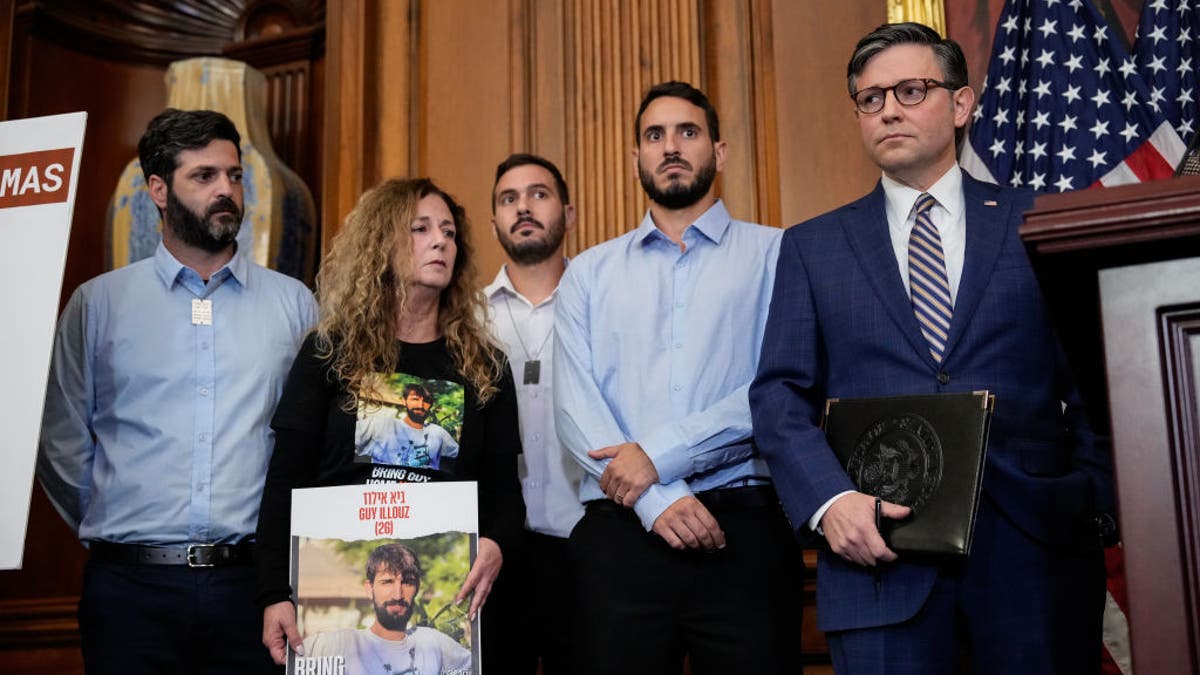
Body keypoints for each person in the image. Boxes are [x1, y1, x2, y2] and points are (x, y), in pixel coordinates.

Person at [749, 22, 1116, 675]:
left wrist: (1094, 498)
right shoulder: (812, 248)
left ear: (961, 104)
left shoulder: (1038, 219)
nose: (888, 108)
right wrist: (831, 501)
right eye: (870, 98)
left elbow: (1094, 377)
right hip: (881, 562)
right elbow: (778, 396)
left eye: (911, 90)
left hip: (1035, 556)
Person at [36, 108, 318, 674]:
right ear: (158, 190)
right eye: (204, 176)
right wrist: (120, 524)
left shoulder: (295, 306)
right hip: (129, 593)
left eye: (235, 176)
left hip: (256, 591)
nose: (226, 191)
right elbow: (61, 441)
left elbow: (314, 444)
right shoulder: (98, 305)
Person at [553, 81, 801, 674]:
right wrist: (657, 497)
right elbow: (574, 410)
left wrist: (658, 458)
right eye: (654, 135)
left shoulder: (779, 254)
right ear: (635, 156)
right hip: (621, 540)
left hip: (744, 532)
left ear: (719, 152)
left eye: (687, 132)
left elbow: (779, 387)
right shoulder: (587, 274)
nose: (670, 147)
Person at [255, 177, 524, 667]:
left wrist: (496, 543)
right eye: (420, 229)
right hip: (327, 604)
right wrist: (273, 591)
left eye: (448, 231)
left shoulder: (486, 368)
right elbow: (285, 480)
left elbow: (505, 490)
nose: (440, 240)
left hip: (448, 613)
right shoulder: (327, 354)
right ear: (382, 244)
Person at [483, 153, 584, 674]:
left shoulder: (600, 304)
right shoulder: (468, 319)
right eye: (508, 198)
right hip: (493, 555)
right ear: (494, 220)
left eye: (538, 194)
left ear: (569, 213)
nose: (523, 207)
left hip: (589, 545)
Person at [298, 543, 472, 675]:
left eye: (407, 582)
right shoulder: (338, 644)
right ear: (369, 588)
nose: (398, 594)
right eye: (387, 582)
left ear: (417, 588)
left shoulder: (433, 643)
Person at [356, 383, 460, 468]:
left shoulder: (438, 433)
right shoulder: (382, 425)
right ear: (404, 401)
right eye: (415, 399)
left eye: (426, 401)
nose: (420, 405)